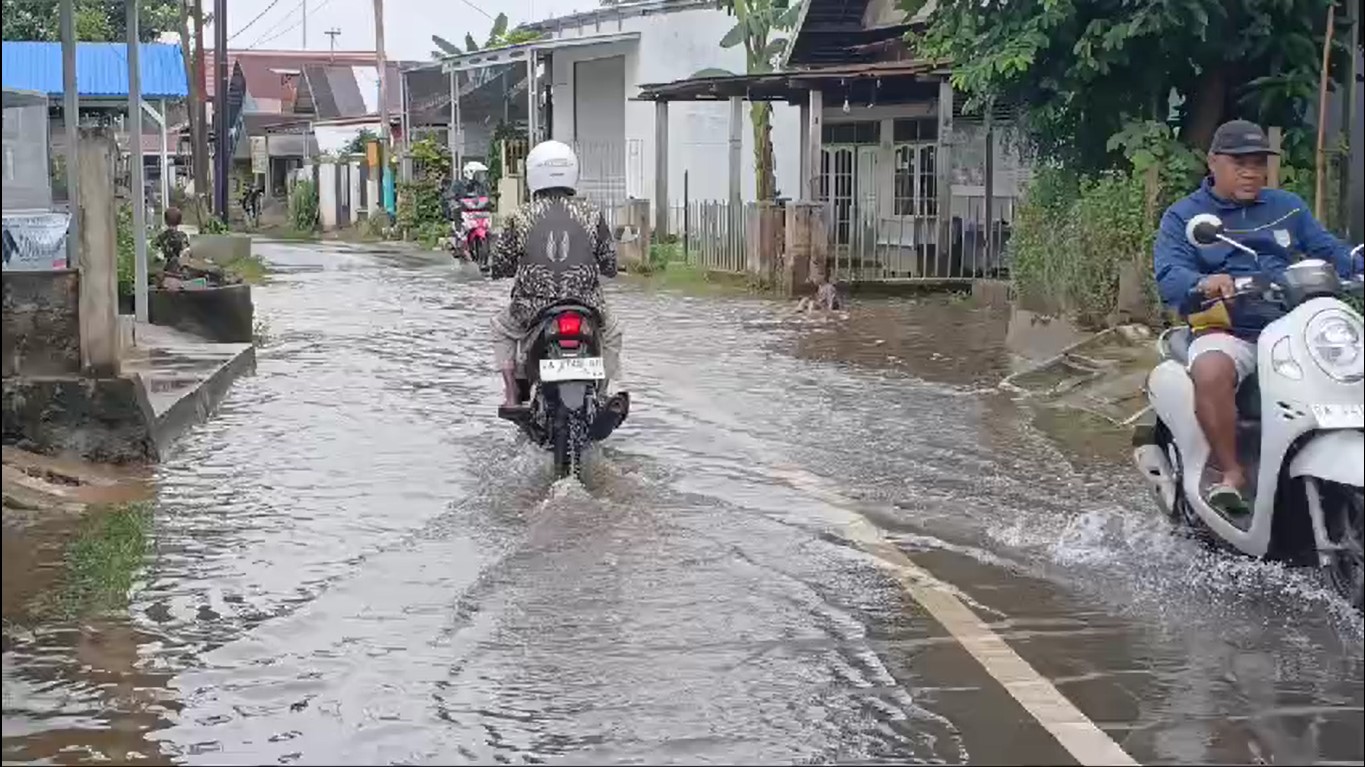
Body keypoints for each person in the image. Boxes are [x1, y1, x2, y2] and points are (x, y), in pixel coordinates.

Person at [1153, 119, 1365, 515]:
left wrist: (1355, 263)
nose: (1251, 172)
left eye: (1258, 163)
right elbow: (1170, 276)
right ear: (1213, 163)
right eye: (1240, 163)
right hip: (1229, 329)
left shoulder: (1287, 207)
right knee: (1212, 371)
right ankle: (1232, 473)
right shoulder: (1185, 218)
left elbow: (1330, 249)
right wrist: (1205, 282)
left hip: (1291, 328)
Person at [488, 140, 623, 413]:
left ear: (533, 174)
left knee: (500, 329)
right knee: (612, 331)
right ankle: (604, 393)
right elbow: (610, 263)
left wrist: (498, 269)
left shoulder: (519, 215)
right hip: (586, 306)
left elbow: (501, 262)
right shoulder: (591, 213)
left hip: (531, 309)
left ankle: (513, 395)